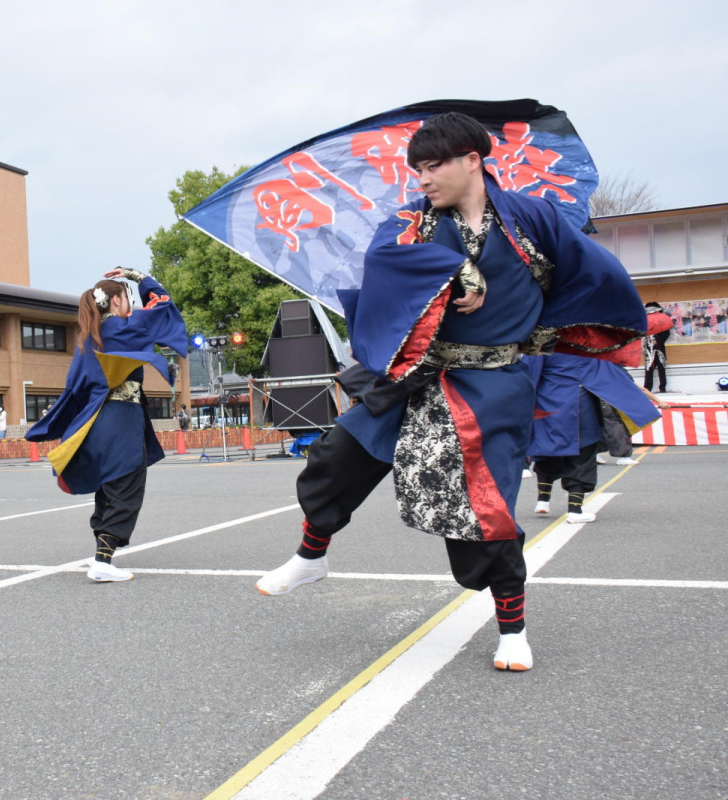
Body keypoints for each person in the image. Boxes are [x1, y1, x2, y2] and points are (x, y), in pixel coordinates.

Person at [253, 113, 645, 672]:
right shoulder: (413, 223)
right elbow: (384, 262)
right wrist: (452, 267)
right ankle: (310, 556)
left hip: (492, 385)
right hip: (416, 375)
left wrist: (557, 329)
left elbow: (591, 272)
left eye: (433, 166)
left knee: (484, 513)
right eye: (417, 168)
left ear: (472, 161)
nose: (423, 179)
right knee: (335, 458)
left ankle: (512, 627)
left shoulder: (533, 219)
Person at [25, 267, 187, 582]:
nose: (131, 302)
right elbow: (164, 304)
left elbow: (75, 386)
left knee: (110, 483)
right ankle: (103, 560)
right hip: (122, 418)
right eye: (127, 296)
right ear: (115, 301)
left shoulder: (89, 339)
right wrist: (139, 277)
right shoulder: (127, 327)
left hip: (97, 420)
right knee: (127, 483)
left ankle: (102, 551)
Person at [527, 352, 660, 522]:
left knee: (548, 451)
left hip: (548, 404)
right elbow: (610, 372)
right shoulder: (587, 345)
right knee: (582, 456)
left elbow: (529, 375)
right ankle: (575, 510)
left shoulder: (544, 342)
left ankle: (542, 500)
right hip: (580, 403)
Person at [642, 302, 672, 393]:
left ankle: (662, 388)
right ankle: (647, 389)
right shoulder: (644, 320)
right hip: (648, 347)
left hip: (659, 347)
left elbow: (667, 333)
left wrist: (658, 340)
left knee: (661, 366)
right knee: (648, 367)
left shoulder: (662, 321)